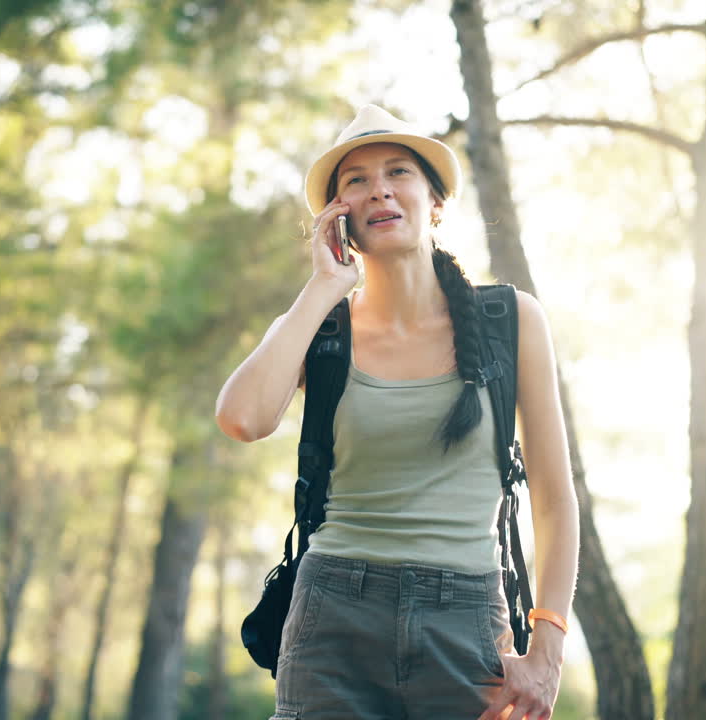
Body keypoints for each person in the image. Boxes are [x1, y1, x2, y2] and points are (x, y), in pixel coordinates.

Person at [216, 104, 580, 720]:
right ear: (339, 218)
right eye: (356, 180)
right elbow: (242, 419)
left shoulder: (511, 320)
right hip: (332, 620)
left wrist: (547, 650)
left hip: (466, 623)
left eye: (398, 171)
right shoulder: (319, 327)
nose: (379, 189)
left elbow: (554, 498)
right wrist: (323, 287)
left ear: (435, 202)